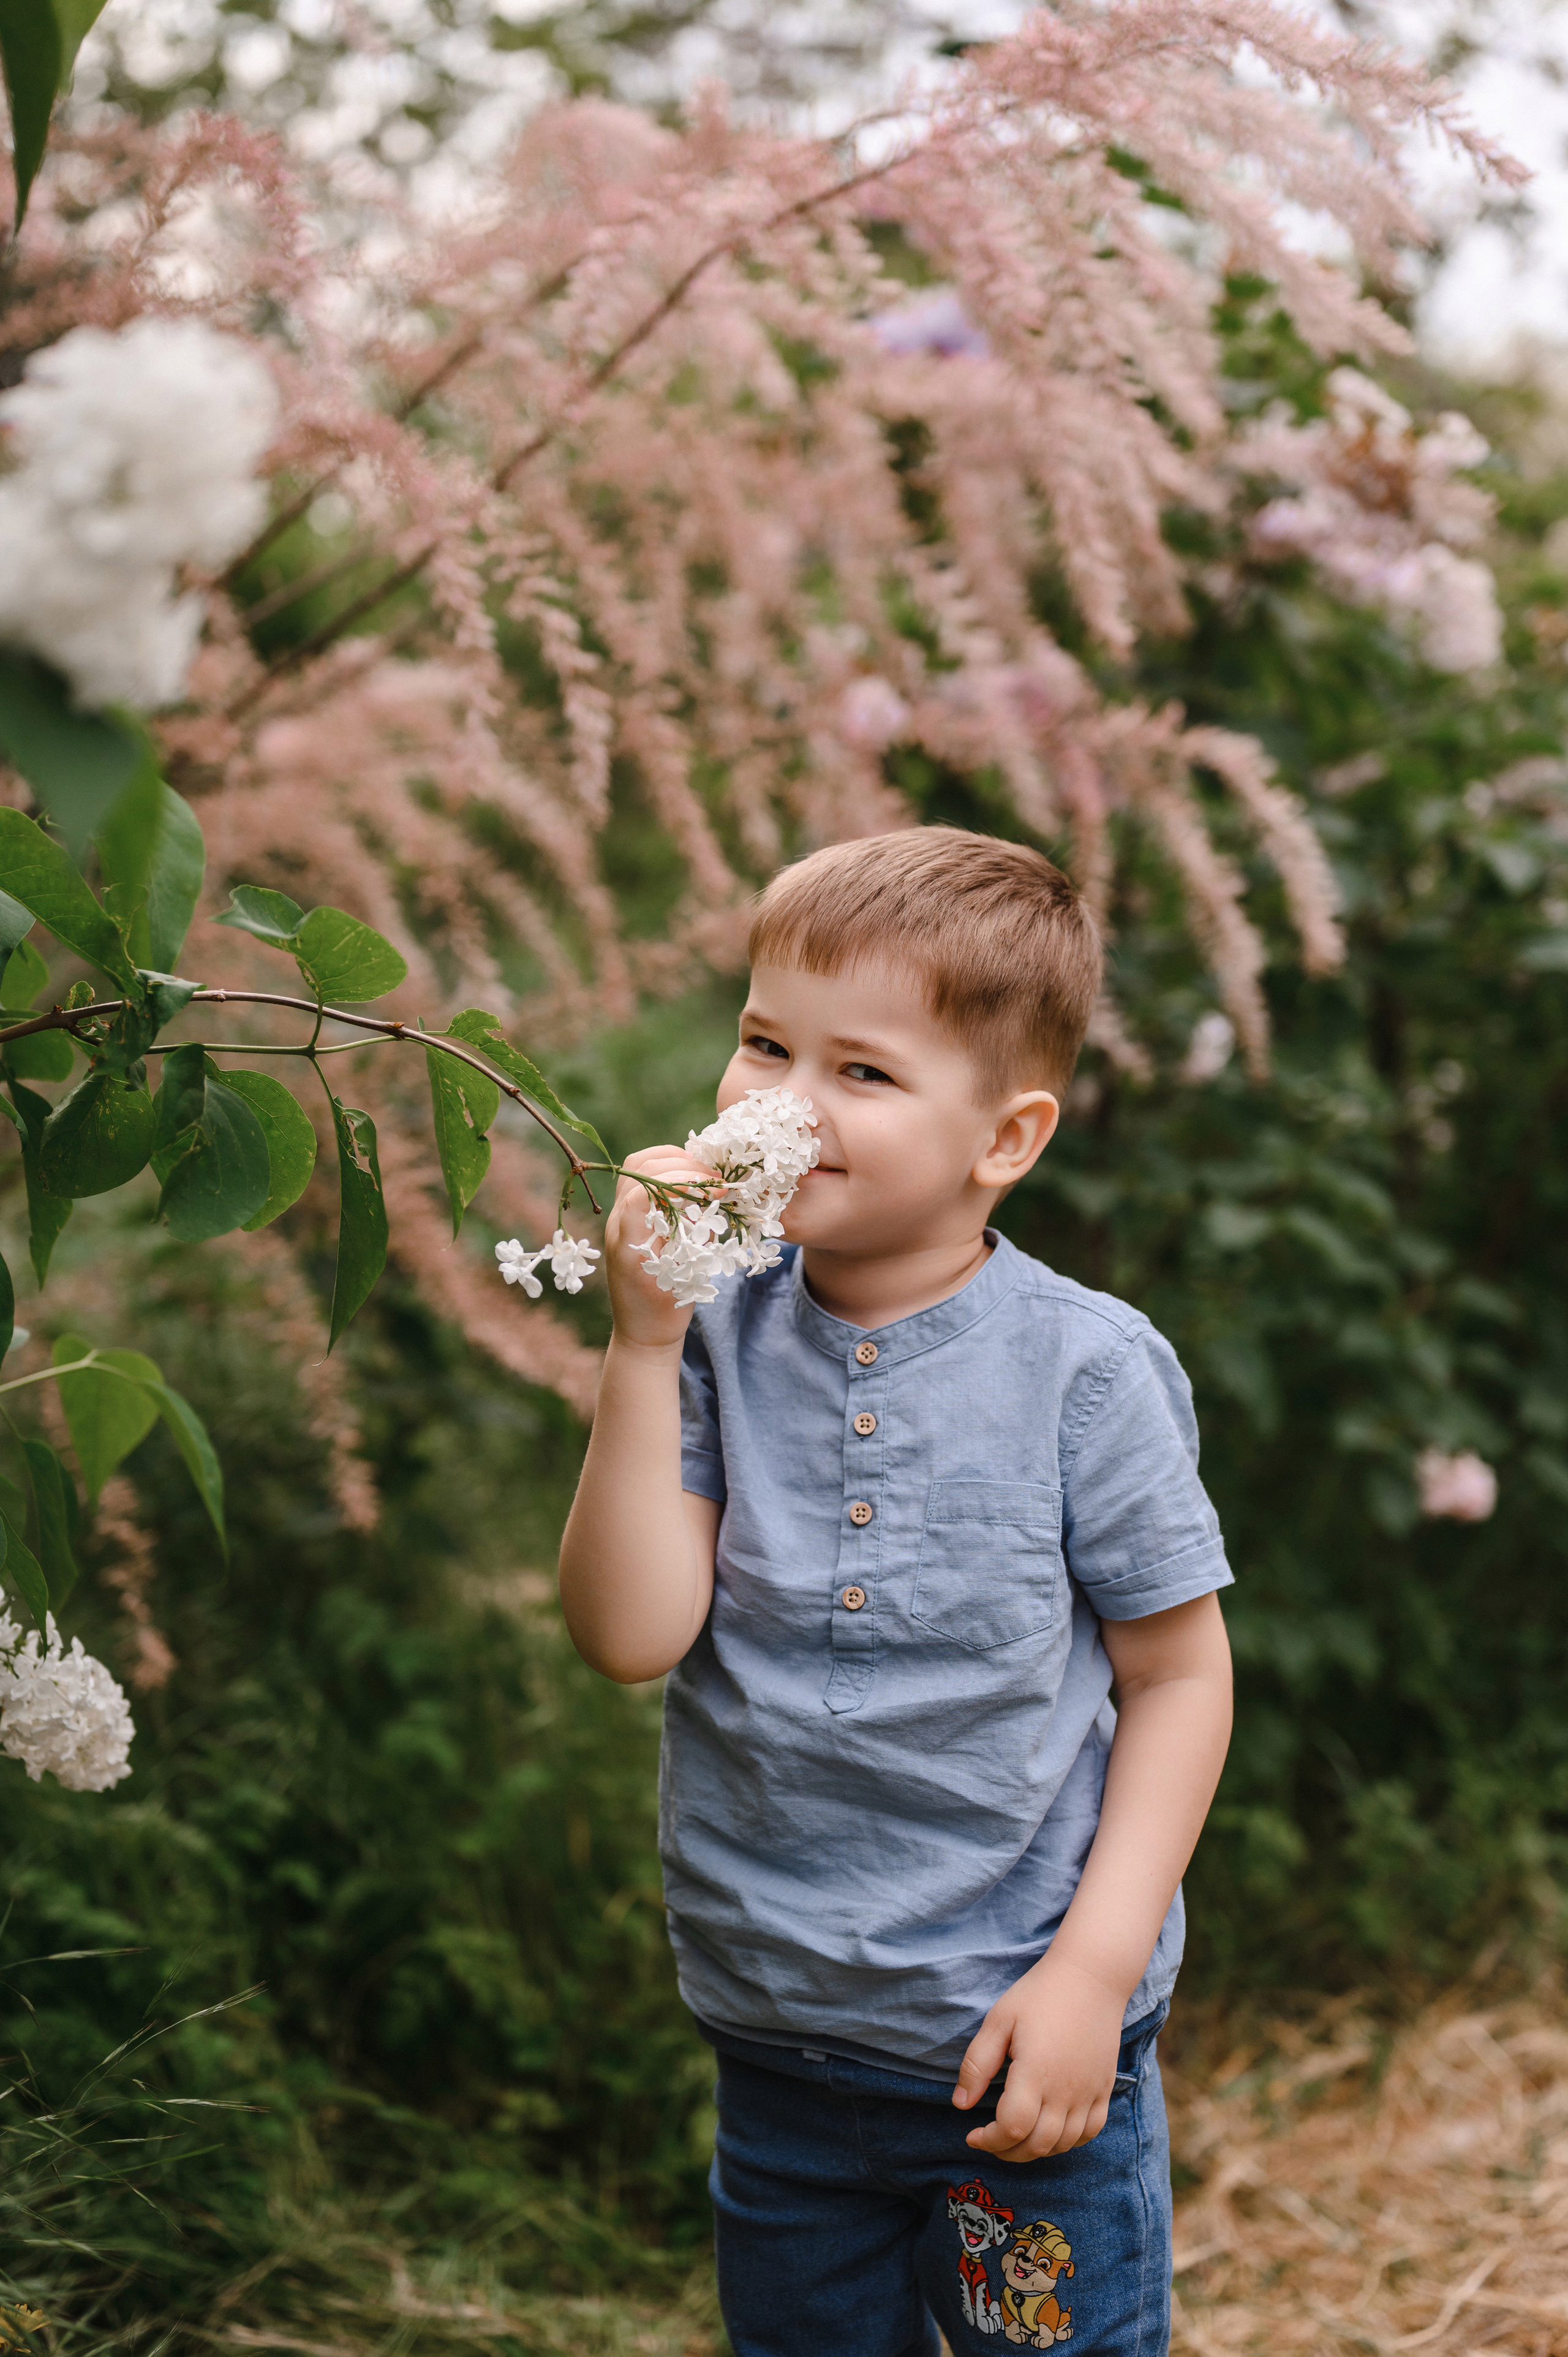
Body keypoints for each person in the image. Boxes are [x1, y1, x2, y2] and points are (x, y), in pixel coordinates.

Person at [559, 827, 1234, 2356]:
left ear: (1003, 1139)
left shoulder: (1085, 1371)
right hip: (779, 2036)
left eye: (860, 1072)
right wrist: (642, 1345)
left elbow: (1179, 1680)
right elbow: (627, 1634)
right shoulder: (715, 1335)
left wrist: (1091, 1970)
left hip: (1015, 2062)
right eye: (761, 1041)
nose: (782, 1102)